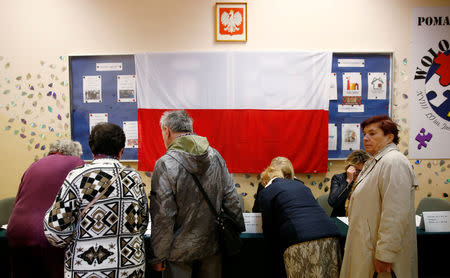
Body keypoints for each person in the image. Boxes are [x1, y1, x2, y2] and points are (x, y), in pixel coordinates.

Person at [44, 123, 149, 277]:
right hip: (130, 268)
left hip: (87, 269)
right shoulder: (134, 177)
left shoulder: (77, 177)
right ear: (121, 151)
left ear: (91, 149)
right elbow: (143, 223)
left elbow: (55, 231)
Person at [150, 110, 245, 278]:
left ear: (167, 130)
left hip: (178, 252)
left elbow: (163, 215)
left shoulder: (165, 163)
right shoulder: (215, 156)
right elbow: (231, 198)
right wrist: (236, 229)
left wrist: (159, 254)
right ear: (190, 128)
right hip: (212, 246)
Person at [340, 115, 418, 278]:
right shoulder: (376, 162)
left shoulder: (393, 162)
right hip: (367, 247)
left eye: (372, 133)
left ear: (389, 137)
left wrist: (385, 254)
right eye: (364, 134)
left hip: (381, 257)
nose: (365, 138)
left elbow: (395, 214)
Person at [6, 139, 84, 278]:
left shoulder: (33, 165)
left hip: (16, 232)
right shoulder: (76, 164)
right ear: (75, 154)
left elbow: (19, 198)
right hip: (47, 235)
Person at [257, 157, 341, 278]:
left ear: (266, 180)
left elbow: (269, 230)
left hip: (301, 241)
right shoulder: (302, 186)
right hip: (331, 236)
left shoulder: (268, 191)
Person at [328, 150, 370, 217]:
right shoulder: (338, 178)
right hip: (341, 216)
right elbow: (333, 202)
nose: (356, 173)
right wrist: (348, 181)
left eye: (360, 171)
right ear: (348, 166)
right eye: (354, 169)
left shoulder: (368, 180)